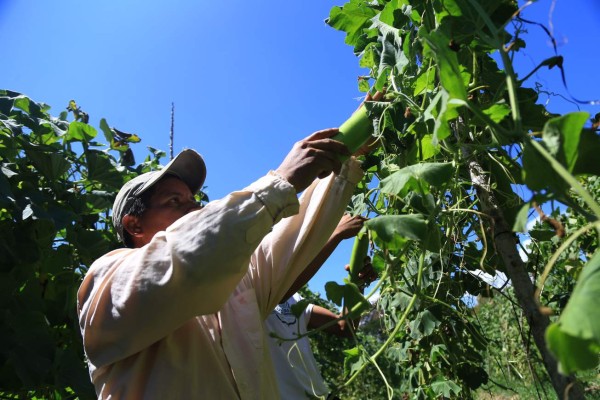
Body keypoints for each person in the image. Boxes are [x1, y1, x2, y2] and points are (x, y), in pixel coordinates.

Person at [76, 128, 366, 399]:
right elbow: (185, 259)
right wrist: (279, 181)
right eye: (174, 201)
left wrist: (347, 156)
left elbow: (289, 238)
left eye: (194, 199)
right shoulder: (107, 281)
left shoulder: (233, 289)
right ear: (134, 225)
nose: (195, 207)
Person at [265, 215, 378, 399]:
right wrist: (336, 233)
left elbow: (344, 327)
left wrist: (358, 284)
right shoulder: (247, 291)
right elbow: (278, 290)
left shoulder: (294, 299)